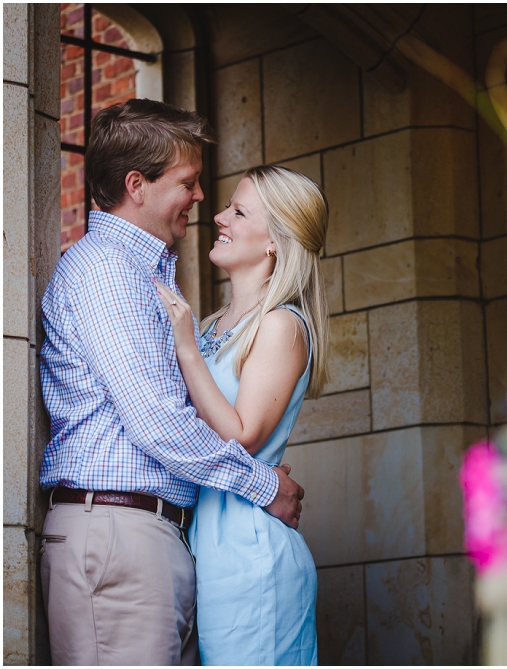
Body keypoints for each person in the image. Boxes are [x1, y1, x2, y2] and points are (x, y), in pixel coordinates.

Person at [38, 99, 305, 666]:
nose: (202, 199)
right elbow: (159, 422)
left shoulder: (147, 275)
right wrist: (262, 485)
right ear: (138, 185)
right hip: (117, 533)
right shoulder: (110, 272)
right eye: (189, 182)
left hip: (150, 536)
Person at [154, 165, 327, 665]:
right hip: (200, 545)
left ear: (276, 240)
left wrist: (185, 348)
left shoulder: (281, 325)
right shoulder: (212, 324)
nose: (219, 216)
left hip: (249, 554)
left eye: (238, 210)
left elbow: (241, 436)